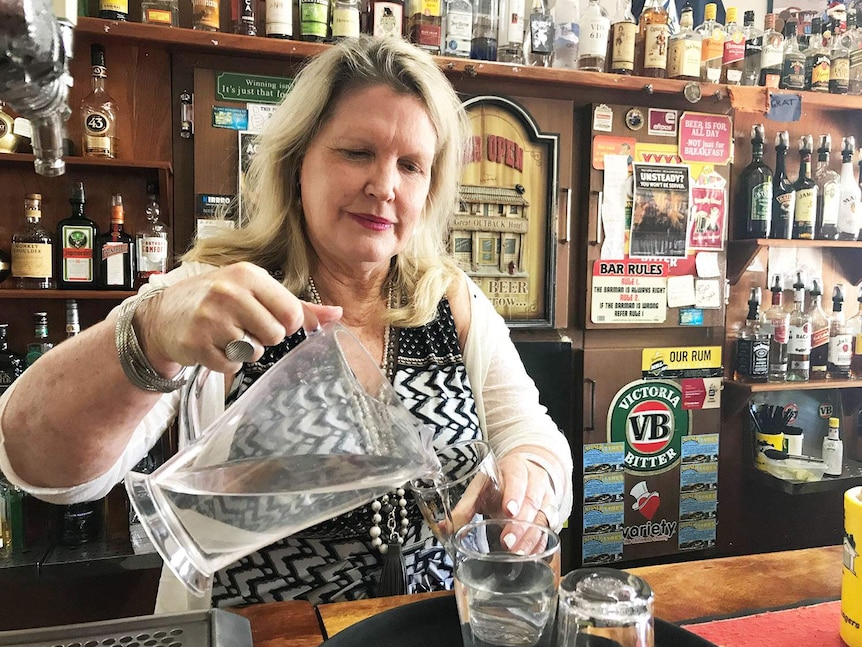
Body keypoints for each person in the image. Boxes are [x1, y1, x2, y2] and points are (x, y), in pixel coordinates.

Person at [0, 36, 573, 610]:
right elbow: (42, 468)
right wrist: (147, 336)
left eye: (410, 165)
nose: (385, 186)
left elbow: (535, 438)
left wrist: (532, 483)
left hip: (427, 629)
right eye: (356, 152)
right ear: (298, 161)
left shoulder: (451, 299)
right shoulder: (219, 292)